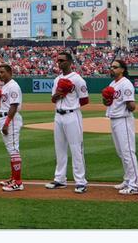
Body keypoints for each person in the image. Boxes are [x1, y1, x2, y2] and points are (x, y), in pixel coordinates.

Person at [46, 52, 89, 193]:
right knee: (60, 148)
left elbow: (84, 100)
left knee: (76, 149)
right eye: (58, 60)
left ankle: (81, 182)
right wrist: (59, 95)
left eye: (62, 60)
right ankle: (60, 179)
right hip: (58, 115)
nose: (59, 63)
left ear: (70, 62)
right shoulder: (57, 79)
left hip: (72, 115)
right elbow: (53, 99)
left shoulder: (77, 79)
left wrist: (69, 99)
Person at [102, 59, 138, 195]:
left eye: (115, 67)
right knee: (121, 153)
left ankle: (136, 185)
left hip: (124, 120)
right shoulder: (113, 83)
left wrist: (126, 102)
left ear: (122, 69)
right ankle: (128, 180)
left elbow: (132, 106)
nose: (112, 69)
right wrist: (107, 99)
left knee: (128, 153)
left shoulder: (126, 84)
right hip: (114, 119)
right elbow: (108, 103)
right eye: (111, 67)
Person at [0, 63, 24, 192]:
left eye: (2, 72)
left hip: (10, 120)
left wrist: (7, 123)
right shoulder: (5, 86)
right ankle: (13, 178)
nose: (0, 74)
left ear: (10, 72)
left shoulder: (13, 86)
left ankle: (18, 182)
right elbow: (6, 105)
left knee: (13, 150)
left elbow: (14, 106)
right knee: (10, 149)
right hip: (4, 117)